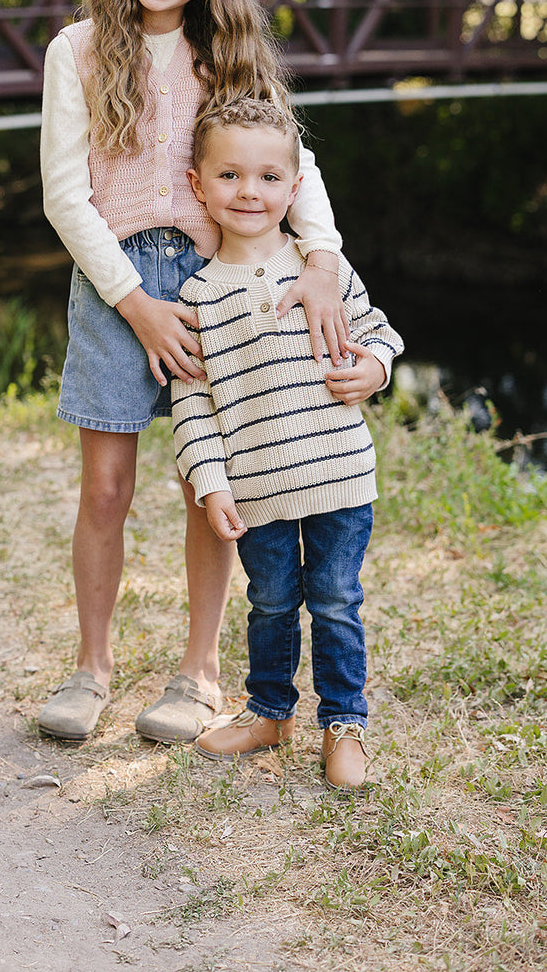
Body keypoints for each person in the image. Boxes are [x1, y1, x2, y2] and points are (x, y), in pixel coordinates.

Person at [38, 0, 347, 745]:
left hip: (217, 283)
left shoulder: (231, 53)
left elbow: (297, 166)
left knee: (207, 482)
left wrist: (320, 258)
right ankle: (93, 668)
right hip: (115, 285)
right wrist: (134, 302)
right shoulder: (79, 49)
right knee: (105, 486)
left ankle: (199, 672)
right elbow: (67, 196)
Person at [171, 98, 403, 790]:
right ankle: (270, 711)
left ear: (297, 187)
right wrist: (211, 483)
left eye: (270, 178)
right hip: (257, 489)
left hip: (338, 476)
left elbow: (381, 332)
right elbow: (193, 407)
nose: (250, 192)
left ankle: (344, 724)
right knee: (271, 601)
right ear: (198, 185)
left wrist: (374, 367)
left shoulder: (319, 270)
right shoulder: (196, 295)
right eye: (231, 176)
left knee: (335, 599)